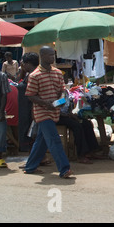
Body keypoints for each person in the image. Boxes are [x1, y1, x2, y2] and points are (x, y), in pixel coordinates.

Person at [23, 46, 73, 178]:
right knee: (54, 140)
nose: (53, 57)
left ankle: (30, 166)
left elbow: (62, 89)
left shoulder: (57, 73)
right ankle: (64, 168)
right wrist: (46, 103)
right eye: (50, 55)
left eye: (53, 55)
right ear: (43, 56)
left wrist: (61, 98)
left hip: (54, 111)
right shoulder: (35, 75)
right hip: (42, 112)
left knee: (42, 140)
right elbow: (30, 95)